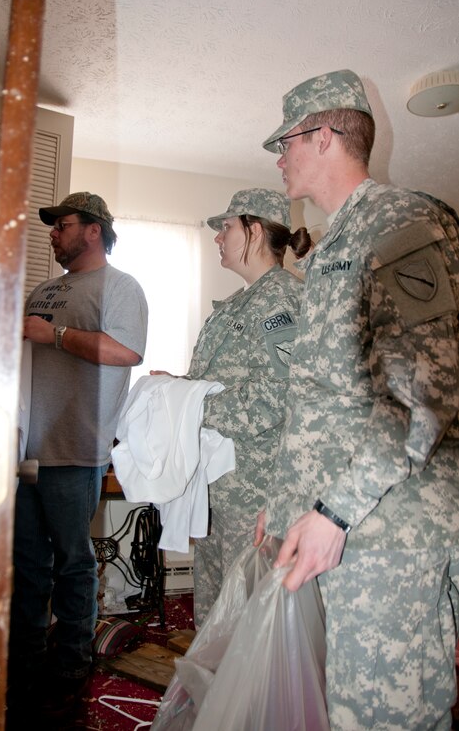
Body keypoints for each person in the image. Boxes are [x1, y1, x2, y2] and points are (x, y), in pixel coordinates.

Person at [256, 69, 459, 729]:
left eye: (283, 143)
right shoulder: (328, 250)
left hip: (389, 532)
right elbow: (326, 403)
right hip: (346, 524)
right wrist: (286, 501)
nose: (279, 158)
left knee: (379, 716)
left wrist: (333, 512)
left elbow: (424, 394)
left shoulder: (405, 224)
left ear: (320, 136)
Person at [8, 191, 148, 721]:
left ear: (93, 230)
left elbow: (125, 352)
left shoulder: (121, 287)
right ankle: (22, 661)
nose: (53, 232)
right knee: (26, 566)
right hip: (21, 450)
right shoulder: (44, 289)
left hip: (75, 450)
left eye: (61, 224)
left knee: (72, 565)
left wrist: (58, 334)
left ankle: (70, 667)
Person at [153, 188, 311, 628]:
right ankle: (215, 696)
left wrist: (191, 403)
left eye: (225, 227)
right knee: (216, 618)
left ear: (254, 230)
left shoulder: (281, 301)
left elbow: (275, 399)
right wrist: (176, 387)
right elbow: (215, 386)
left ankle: (247, 701)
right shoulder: (237, 305)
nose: (217, 237)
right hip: (219, 489)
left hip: (255, 496)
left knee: (249, 624)